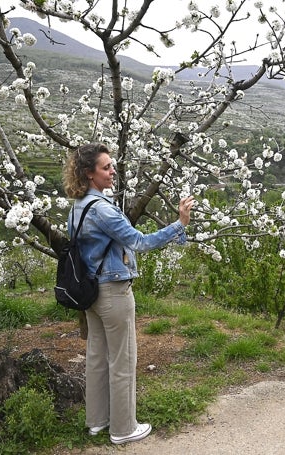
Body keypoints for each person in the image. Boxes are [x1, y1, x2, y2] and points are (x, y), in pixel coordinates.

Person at [62, 143, 195, 445]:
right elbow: (139, 242)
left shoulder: (77, 208)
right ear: (88, 173)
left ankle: (96, 422)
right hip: (113, 292)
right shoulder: (104, 210)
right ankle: (123, 428)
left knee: (97, 356)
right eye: (106, 167)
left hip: (91, 292)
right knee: (122, 359)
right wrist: (179, 224)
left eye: (112, 166)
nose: (113, 171)